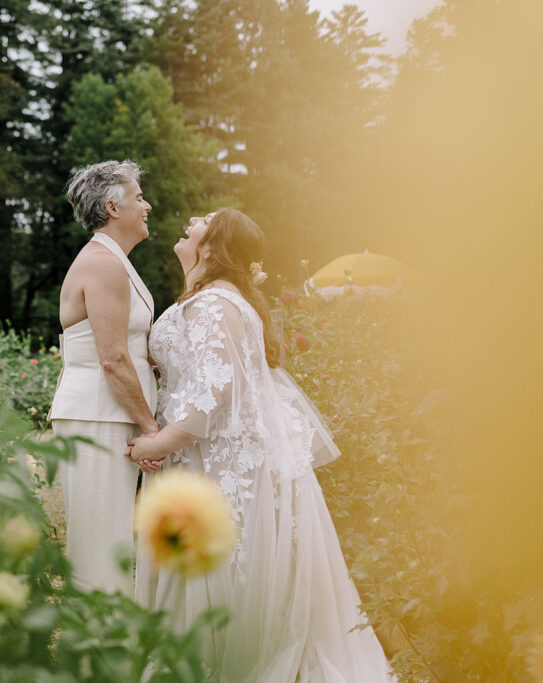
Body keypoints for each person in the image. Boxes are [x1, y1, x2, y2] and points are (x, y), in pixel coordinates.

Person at [129, 208, 394, 681]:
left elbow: (219, 388)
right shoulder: (216, 297)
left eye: (203, 219)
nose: (190, 219)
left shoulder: (214, 303)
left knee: (224, 570)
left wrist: (160, 440)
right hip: (210, 453)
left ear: (213, 247)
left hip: (218, 459)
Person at [48, 160, 158, 594]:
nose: (146, 205)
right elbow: (111, 358)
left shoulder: (116, 261)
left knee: (113, 539)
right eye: (138, 197)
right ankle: (97, 651)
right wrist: (151, 428)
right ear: (113, 207)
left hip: (111, 414)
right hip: (98, 416)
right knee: (100, 545)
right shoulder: (103, 263)